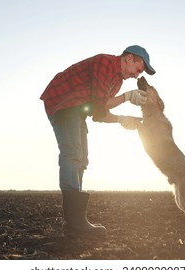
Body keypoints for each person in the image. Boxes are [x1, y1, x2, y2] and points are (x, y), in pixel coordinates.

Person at [40, 45, 156, 238]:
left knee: (82, 160)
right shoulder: (105, 62)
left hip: (78, 110)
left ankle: (74, 221)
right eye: (138, 69)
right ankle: (74, 222)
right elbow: (99, 105)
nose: (137, 76)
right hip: (63, 101)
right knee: (72, 154)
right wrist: (127, 97)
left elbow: (99, 114)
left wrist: (121, 119)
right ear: (128, 58)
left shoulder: (117, 83)